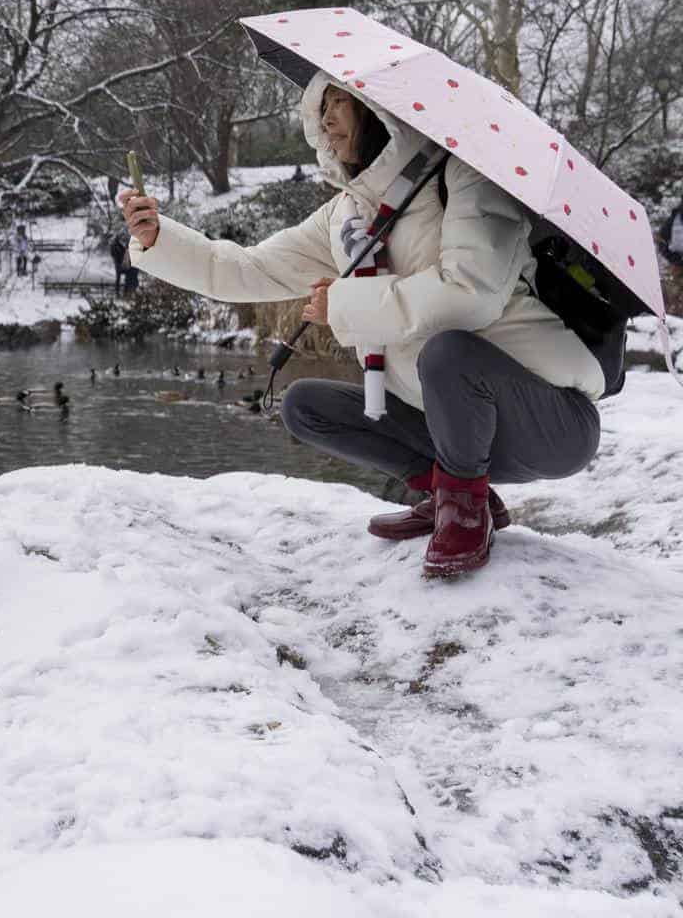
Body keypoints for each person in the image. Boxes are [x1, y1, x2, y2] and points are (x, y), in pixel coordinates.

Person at [117, 78, 604, 579]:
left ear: (380, 112)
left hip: (548, 423)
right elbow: (244, 268)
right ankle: (453, 495)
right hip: (451, 426)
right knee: (304, 405)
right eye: (320, 109)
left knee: (449, 353)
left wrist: (344, 305)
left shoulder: (463, 177)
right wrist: (159, 238)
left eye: (339, 104)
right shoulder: (345, 214)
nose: (324, 121)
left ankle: (464, 513)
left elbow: (470, 294)